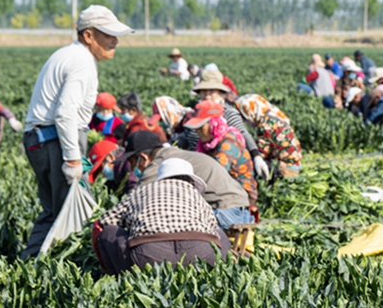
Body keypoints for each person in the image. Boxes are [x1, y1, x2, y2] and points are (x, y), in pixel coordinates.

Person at [19, 5, 132, 258]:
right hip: (56, 141)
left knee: (54, 211)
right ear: (89, 35)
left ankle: (29, 263)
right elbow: (65, 113)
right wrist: (72, 159)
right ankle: (67, 266)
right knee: (74, 216)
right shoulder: (82, 62)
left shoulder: (67, 54)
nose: (115, 40)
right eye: (108, 34)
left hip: (39, 139)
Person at [92, 157, 232, 275]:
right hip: (200, 254)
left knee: (109, 232)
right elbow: (212, 225)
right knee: (220, 234)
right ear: (190, 181)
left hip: (149, 256)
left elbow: (105, 221)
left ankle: (121, 281)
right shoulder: (195, 194)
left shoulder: (142, 191)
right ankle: (216, 276)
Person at [116, 130, 255, 230]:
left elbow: (135, 200)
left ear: (143, 158)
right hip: (239, 210)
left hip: (223, 211)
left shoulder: (159, 162)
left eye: (132, 162)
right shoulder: (174, 154)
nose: (132, 168)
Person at [182, 100, 259, 206]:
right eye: (196, 128)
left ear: (214, 124)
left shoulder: (228, 142)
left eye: (201, 127)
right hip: (222, 189)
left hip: (240, 195)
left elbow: (216, 174)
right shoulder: (206, 144)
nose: (197, 131)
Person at [236, 94, 305, 179]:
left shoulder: (265, 125)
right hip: (296, 164)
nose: (245, 122)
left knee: (253, 164)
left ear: (250, 112)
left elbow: (261, 153)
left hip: (286, 168)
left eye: (244, 118)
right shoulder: (274, 115)